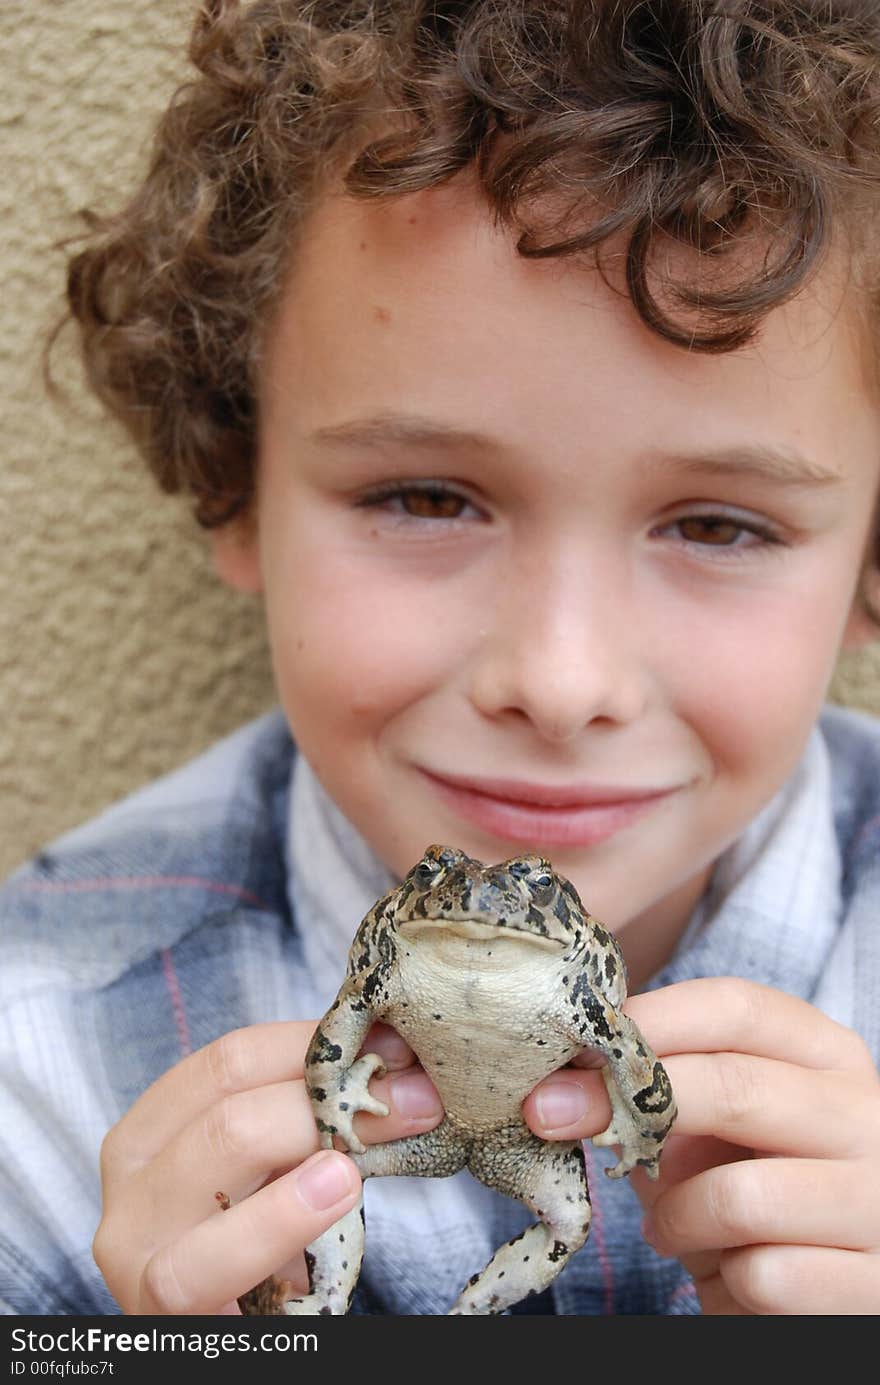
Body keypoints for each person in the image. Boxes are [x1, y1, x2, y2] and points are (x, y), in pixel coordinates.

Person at [3, 0, 880, 1317]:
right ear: (237, 481)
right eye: (424, 497)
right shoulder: (40, 1068)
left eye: (720, 523)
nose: (562, 678)